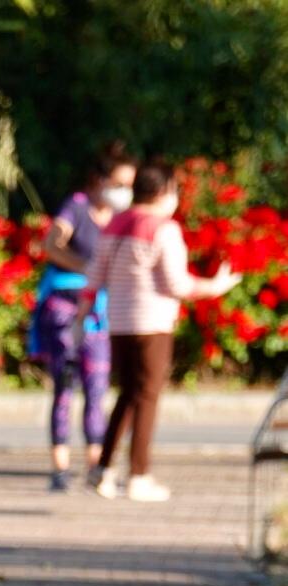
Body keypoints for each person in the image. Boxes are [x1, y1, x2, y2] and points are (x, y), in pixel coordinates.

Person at [78, 160, 241, 502]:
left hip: (119, 323)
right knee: (148, 396)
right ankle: (139, 475)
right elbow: (177, 283)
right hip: (152, 324)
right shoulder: (163, 228)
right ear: (165, 191)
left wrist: (80, 317)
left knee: (127, 394)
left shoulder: (114, 224)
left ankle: (103, 470)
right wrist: (216, 286)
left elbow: (94, 277)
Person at [29, 143, 136, 492]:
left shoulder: (121, 218)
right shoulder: (76, 207)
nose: (124, 193)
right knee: (64, 386)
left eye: (129, 186)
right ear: (99, 181)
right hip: (63, 309)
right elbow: (50, 244)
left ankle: (96, 464)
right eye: (119, 184)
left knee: (98, 387)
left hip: (98, 313)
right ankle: (59, 467)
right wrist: (86, 269)